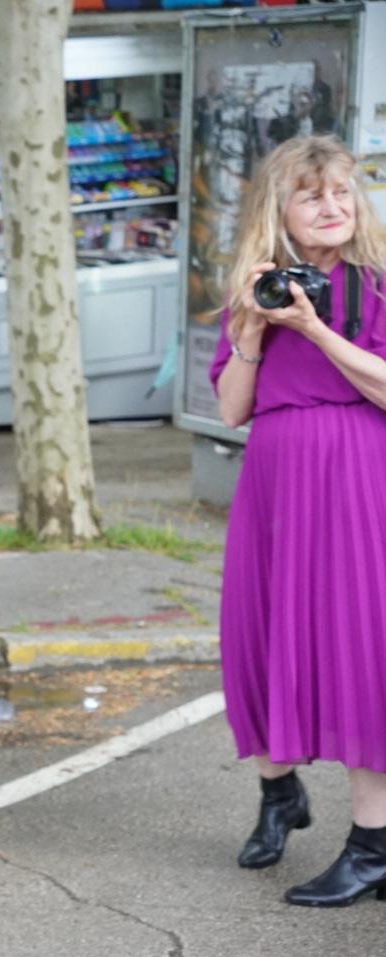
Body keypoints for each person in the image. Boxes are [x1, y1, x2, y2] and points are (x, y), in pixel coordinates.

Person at [211, 134, 386, 907]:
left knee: (357, 645)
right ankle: (278, 791)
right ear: (279, 209)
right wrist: (251, 331)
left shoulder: (376, 286)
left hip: (357, 472)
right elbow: (230, 409)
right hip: (274, 479)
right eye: (312, 194)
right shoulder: (257, 289)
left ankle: (374, 845)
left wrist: (316, 328)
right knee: (260, 631)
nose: (331, 206)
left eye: (342, 192)